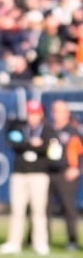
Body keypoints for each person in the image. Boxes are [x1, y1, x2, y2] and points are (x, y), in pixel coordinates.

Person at [0, 99, 55, 256]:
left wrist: (29, 144)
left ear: (41, 114)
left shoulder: (47, 129)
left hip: (39, 174)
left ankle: (40, 242)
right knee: (17, 210)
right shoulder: (20, 127)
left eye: (35, 114)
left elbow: (46, 146)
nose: (33, 117)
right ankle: (14, 241)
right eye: (30, 113)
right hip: (20, 173)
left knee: (39, 210)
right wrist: (31, 143)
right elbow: (13, 143)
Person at [47, 99, 83, 250]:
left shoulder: (73, 131)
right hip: (49, 172)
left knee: (68, 208)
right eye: (55, 111)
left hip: (66, 173)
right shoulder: (48, 130)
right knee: (44, 207)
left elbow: (80, 153)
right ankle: (42, 239)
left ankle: (72, 239)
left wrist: (77, 169)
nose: (58, 115)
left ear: (67, 114)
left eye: (61, 111)